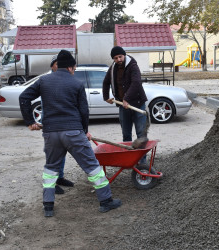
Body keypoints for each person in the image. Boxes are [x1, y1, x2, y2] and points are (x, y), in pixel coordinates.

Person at [19, 50, 121, 217]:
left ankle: (48, 206)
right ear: (71, 67)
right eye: (74, 68)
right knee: (92, 167)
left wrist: (30, 121)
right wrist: (85, 131)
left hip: (51, 134)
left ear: (57, 65)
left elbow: (24, 97)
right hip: (73, 132)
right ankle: (106, 201)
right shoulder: (76, 84)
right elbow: (83, 111)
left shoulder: (44, 80)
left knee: (51, 169)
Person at [102, 46, 148, 165]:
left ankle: (142, 162)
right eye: (115, 58)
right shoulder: (113, 68)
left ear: (124, 55)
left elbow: (136, 82)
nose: (118, 60)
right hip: (123, 106)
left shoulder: (132, 65)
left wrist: (127, 98)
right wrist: (106, 97)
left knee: (140, 134)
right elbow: (106, 82)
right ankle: (130, 160)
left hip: (137, 105)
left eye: (120, 57)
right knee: (126, 135)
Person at [48, 55, 74, 195]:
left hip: (64, 124)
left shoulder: (64, 79)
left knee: (62, 152)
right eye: (56, 64)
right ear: (52, 66)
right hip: (53, 126)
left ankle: (60, 177)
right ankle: (51, 184)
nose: (59, 67)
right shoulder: (48, 81)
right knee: (53, 156)